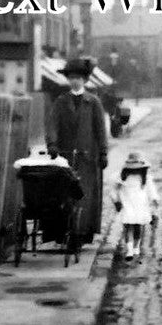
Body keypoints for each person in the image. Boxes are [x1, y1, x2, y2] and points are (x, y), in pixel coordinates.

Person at [46, 58, 108, 246]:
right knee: (64, 195)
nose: (75, 81)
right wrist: (52, 144)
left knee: (84, 196)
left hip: (88, 158)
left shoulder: (93, 102)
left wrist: (103, 152)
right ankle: (63, 232)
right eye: (71, 77)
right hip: (64, 158)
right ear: (67, 79)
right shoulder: (61, 102)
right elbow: (52, 125)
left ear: (85, 80)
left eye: (78, 78)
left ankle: (82, 233)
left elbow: (100, 129)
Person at [111, 152, 159, 262]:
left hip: (140, 204)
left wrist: (154, 199)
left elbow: (151, 190)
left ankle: (136, 247)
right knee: (128, 226)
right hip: (127, 203)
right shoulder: (121, 177)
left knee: (137, 227)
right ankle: (129, 249)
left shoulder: (145, 178)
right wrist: (116, 201)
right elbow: (114, 190)